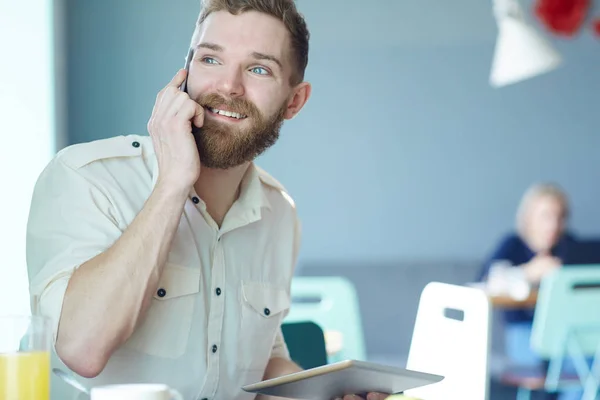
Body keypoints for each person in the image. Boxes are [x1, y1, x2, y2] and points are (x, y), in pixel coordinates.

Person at [26, 1, 387, 400]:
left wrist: (324, 394)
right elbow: (81, 349)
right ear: (183, 75)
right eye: (211, 59)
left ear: (294, 102)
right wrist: (171, 186)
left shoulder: (279, 213)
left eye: (258, 69)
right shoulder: (85, 177)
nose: (228, 86)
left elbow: (262, 358)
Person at [478, 183, 577, 400]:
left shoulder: (570, 246)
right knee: (539, 364)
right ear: (529, 217)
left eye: (559, 217)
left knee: (581, 366)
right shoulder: (512, 244)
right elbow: (486, 280)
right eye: (546, 216)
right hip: (523, 331)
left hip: (565, 333)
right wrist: (528, 272)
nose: (553, 224)